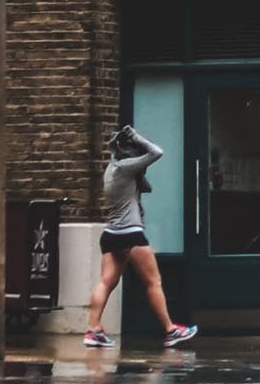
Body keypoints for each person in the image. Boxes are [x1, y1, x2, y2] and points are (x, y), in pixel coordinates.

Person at [81, 123, 195, 349]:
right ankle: (170, 330)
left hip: (111, 234)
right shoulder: (125, 168)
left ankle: (92, 330)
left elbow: (146, 187)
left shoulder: (112, 169)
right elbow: (156, 152)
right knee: (153, 282)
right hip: (130, 233)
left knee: (106, 282)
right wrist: (135, 135)